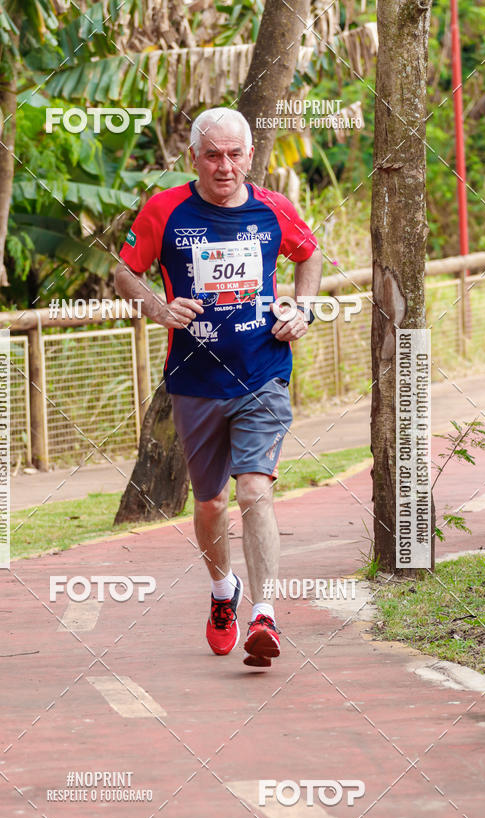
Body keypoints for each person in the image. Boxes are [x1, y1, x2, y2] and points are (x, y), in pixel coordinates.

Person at [114, 107, 322, 667]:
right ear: (194, 158)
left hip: (262, 372)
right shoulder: (165, 210)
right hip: (195, 380)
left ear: (250, 155)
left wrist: (302, 309)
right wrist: (158, 307)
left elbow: (309, 254)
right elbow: (124, 272)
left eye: (234, 155)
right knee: (210, 502)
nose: (224, 166)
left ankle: (265, 613)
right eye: (212, 155)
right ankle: (223, 589)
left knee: (254, 491)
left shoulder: (274, 208)